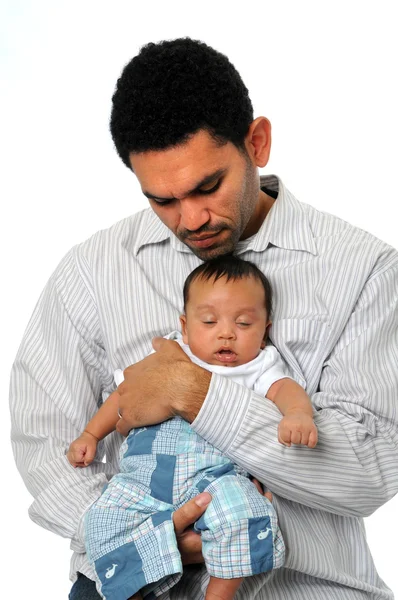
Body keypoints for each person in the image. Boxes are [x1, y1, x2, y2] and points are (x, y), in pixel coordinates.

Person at [9, 38, 398, 600]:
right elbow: (46, 440)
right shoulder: (93, 270)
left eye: (208, 187)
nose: (191, 220)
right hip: (129, 584)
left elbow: (373, 468)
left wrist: (195, 393)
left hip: (306, 587)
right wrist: (147, 539)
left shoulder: (365, 270)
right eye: (162, 200)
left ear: (257, 143)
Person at [67, 255, 317, 600]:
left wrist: (298, 414)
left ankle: (218, 595)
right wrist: (92, 434)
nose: (226, 332)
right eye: (210, 321)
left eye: (244, 323)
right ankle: (131, 593)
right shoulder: (170, 355)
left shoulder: (258, 367)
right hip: (143, 478)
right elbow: (123, 396)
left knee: (244, 513)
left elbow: (287, 391)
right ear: (185, 327)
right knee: (102, 523)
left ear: (264, 333)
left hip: (213, 477)